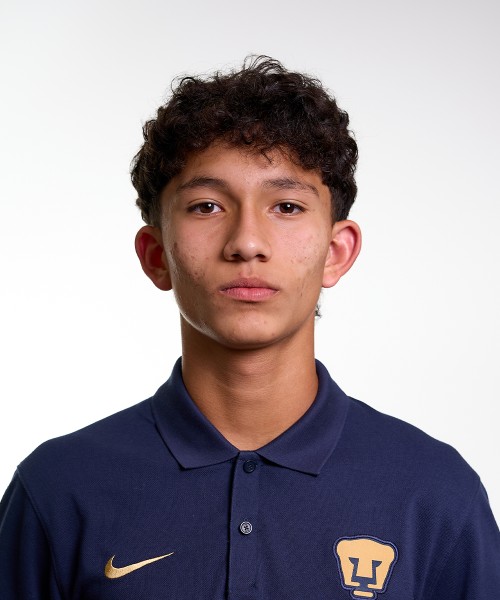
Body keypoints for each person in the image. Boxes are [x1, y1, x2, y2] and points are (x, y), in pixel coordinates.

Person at [0, 56, 498, 600]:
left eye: (286, 206)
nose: (247, 242)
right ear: (156, 254)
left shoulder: (435, 492)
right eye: (206, 206)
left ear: (336, 252)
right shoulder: (57, 489)